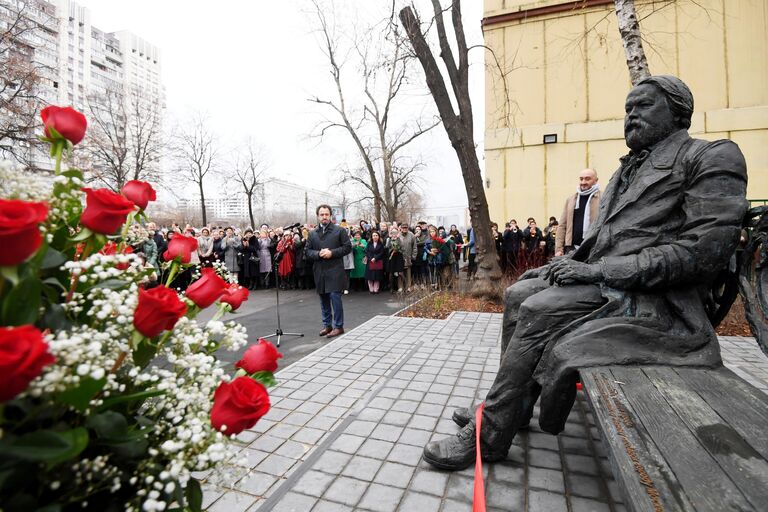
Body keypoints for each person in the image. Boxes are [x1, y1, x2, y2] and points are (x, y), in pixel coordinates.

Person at [422, 75, 749, 471]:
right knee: (518, 293)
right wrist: (558, 267)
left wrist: (596, 272)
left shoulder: (711, 156)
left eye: (642, 106)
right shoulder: (626, 169)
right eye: (627, 108)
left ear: (677, 112)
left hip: (656, 299)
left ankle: (489, 437)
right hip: (607, 280)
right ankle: (515, 407)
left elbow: (700, 253)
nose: (630, 115)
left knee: (538, 310)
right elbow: (600, 239)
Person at [306, 204, 351, 338]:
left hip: (335, 270)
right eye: (322, 214)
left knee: (334, 297)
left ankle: (338, 326)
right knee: (323, 298)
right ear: (318, 216)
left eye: (326, 214)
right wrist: (318, 254)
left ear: (330, 215)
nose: (324, 217)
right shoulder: (312, 233)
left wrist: (332, 253)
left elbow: (347, 247)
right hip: (319, 270)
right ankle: (327, 325)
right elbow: (307, 252)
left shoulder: (339, 231)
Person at [555, 169, 601, 257]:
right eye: (581, 179)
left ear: (596, 180)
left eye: (587, 179)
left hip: (594, 248)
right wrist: (558, 249)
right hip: (571, 249)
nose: (583, 182)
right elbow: (562, 226)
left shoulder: (603, 198)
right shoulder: (571, 200)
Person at [398, 223, 418, 292]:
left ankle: (408, 286)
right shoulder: (398, 235)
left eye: (406, 228)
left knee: (408, 272)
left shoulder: (411, 235)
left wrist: (413, 256)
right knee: (400, 272)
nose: (404, 229)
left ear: (408, 228)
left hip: (409, 257)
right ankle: (400, 286)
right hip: (400, 257)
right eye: (403, 228)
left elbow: (415, 247)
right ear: (401, 228)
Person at [386, 226, 405, 293]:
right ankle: (391, 288)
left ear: (397, 233)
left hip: (399, 256)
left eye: (395, 232)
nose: (394, 234)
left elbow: (402, 248)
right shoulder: (389, 239)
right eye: (393, 232)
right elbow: (387, 247)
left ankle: (404, 286)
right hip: (391, 256)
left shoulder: (400, 239)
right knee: (391, 273)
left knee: (400, 272)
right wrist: (391, 239)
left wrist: (397, 248)